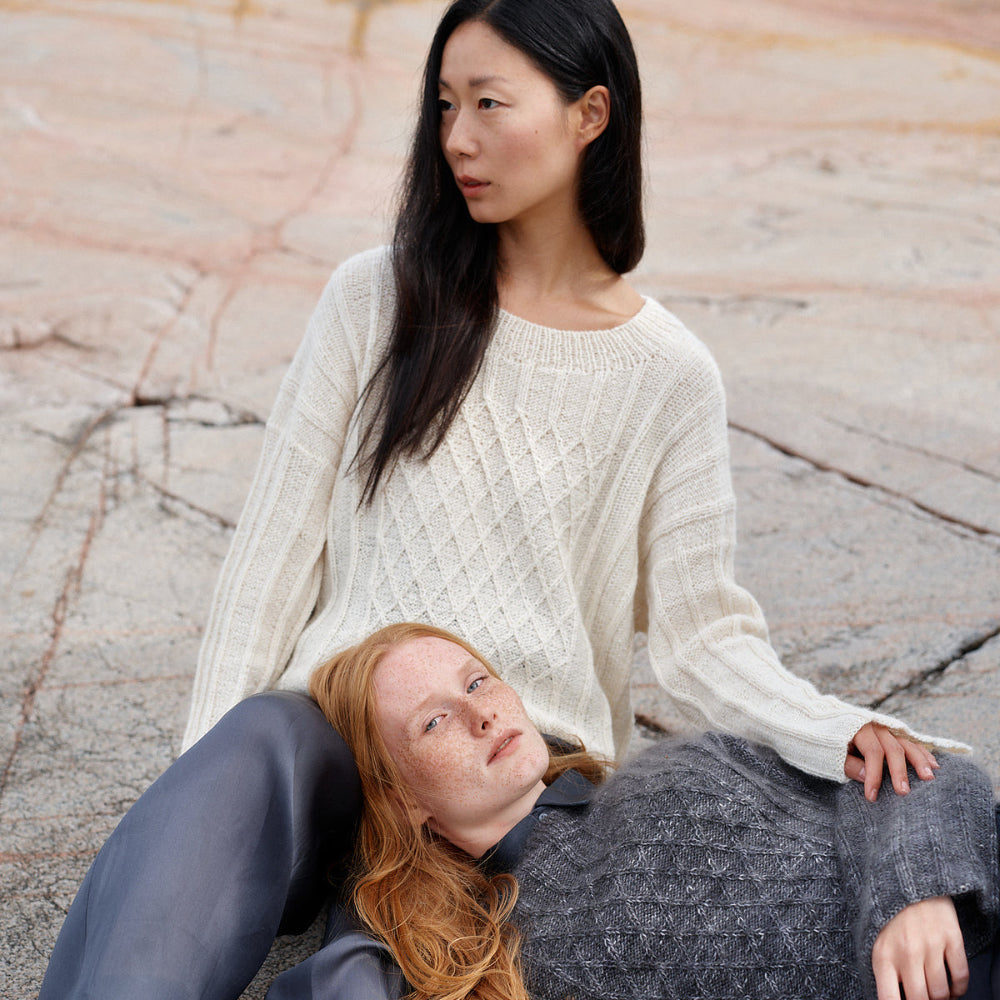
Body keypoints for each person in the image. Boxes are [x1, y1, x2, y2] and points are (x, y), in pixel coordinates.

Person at [40, 0, 970, 997]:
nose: (456, 138)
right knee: (262, 739)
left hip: (514, 793)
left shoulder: (667, 375)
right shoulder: (375, 298)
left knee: (376, 975)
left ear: (590, 114)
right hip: (338, 747)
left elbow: (703, 638)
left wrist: (838, 732)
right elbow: (271, 558)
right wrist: (202, 794)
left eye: (488, 103)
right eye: (444, 104)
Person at [309, 622, 1000, 1000]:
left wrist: (917, 894)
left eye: (477, 681)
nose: (479, 715)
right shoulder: (493, 964)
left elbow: (922, 775)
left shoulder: (682, 761)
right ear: (404, 802)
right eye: (434, 722)